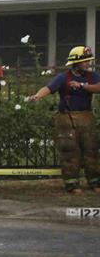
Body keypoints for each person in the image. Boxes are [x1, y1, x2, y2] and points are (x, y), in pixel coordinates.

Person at [26, 45, 100, 194]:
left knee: (91, 150)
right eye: (84, 61)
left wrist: (82, 86)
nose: (87, 63)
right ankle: (72, 185)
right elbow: (48, 88)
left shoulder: (92, 77)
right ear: (75, 62)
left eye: (88, 60)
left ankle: (95, 183)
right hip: (66, 119)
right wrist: (37, 96)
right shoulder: (63, 77)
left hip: (86, 117)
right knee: (70, 152)